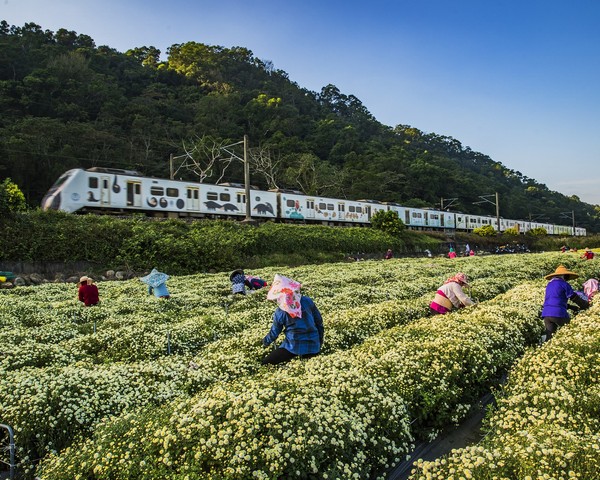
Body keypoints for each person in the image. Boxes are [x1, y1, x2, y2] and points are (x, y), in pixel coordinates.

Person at [262, 274, 324, 365]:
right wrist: (320, 340)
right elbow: (319, 322)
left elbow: (274, 333)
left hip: (293, 346)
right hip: (313, 345)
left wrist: (265, 342)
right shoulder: (307, 301)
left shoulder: (280, 312)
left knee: (266, 363)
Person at [541, 265, 589, 342]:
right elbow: (574, 297)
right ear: (564, 276)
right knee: (571, 329)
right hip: (558, 314)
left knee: (549, 338)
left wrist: (570, 306)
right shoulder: (564, 284)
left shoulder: (549, 284)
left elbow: (555, 300)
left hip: (546, 314)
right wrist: (585, 305)